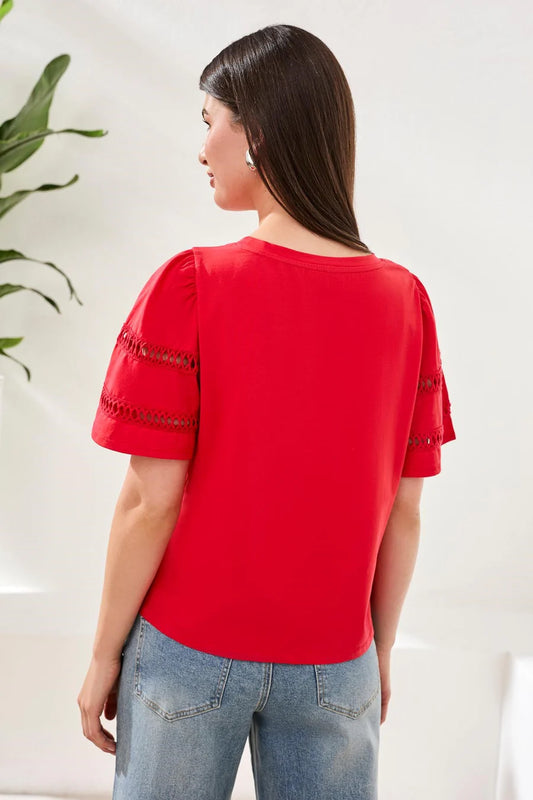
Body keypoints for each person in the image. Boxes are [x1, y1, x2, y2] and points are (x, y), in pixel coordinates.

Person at [77, 23, 456, 800]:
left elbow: (149, 501)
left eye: (209, 122)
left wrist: (102, 655)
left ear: (256, 134)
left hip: (187, 652)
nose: (201, 148)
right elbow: (404, 509)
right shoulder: (404, 301)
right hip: (335, 659)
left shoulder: (192, 284)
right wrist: (377, 651)